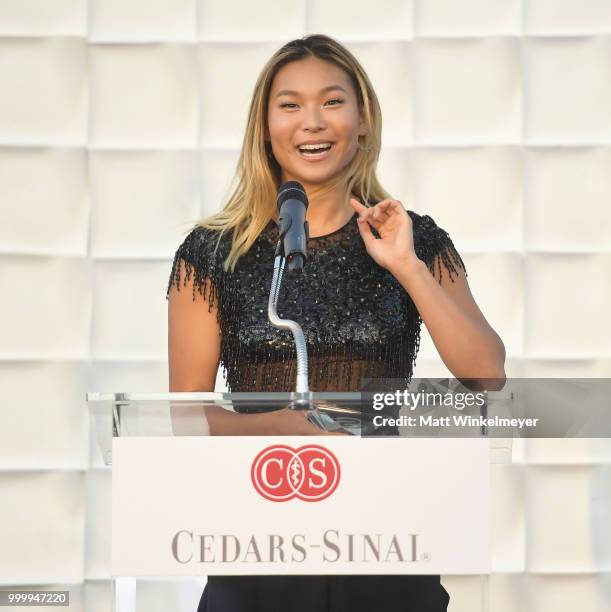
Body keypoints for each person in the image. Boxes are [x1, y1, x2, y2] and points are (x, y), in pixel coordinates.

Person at [166, 34, 505, 612]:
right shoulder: (212, 252)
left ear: (363, 120)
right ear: (265, 126)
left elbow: (488, 375)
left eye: (332, 102)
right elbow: (184, 413)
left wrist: (406, 266)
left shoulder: (415, 239)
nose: (312, 122)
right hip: (258, 537)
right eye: (290, 105)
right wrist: (286, 426)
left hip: (387, 538)